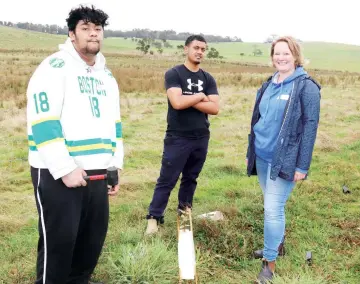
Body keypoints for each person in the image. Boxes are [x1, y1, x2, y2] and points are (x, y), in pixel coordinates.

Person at [26, 5, 123, 284]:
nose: (93, 34)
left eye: (97, 29)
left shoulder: (106, 75)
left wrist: (113, 166)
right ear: (71, 34)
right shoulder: (54, 67)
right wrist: (65, 168)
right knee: (59, 244)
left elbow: (114, 124)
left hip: (97, 173)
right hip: (59, 174)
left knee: (90, 244)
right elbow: (43, 121)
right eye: (85, 28)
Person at [246, 36, 321, 283]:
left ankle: (269, 263)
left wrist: (302, 166)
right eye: (277, 53)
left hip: (285, 160)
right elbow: (261, 118)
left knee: (272, 210)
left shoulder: (306, 86)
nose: (280, 57)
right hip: (264, 156)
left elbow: (310, 127)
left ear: (295, 56)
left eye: (286, 53)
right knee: (273, 207)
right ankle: (277, 245)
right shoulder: (269, 83)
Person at [145, 35, 219, 235]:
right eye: (196, 48)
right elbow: (176, 104)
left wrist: (187, 99)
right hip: (178, 136)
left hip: (201, 136)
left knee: (191, 178)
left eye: (203, 49)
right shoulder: (174, 73)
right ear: (186, 49)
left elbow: (215, 108)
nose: (200, 52)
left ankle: (184, 212)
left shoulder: (207, 78)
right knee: (167, 178)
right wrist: (201, 96)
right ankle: (154, 217)